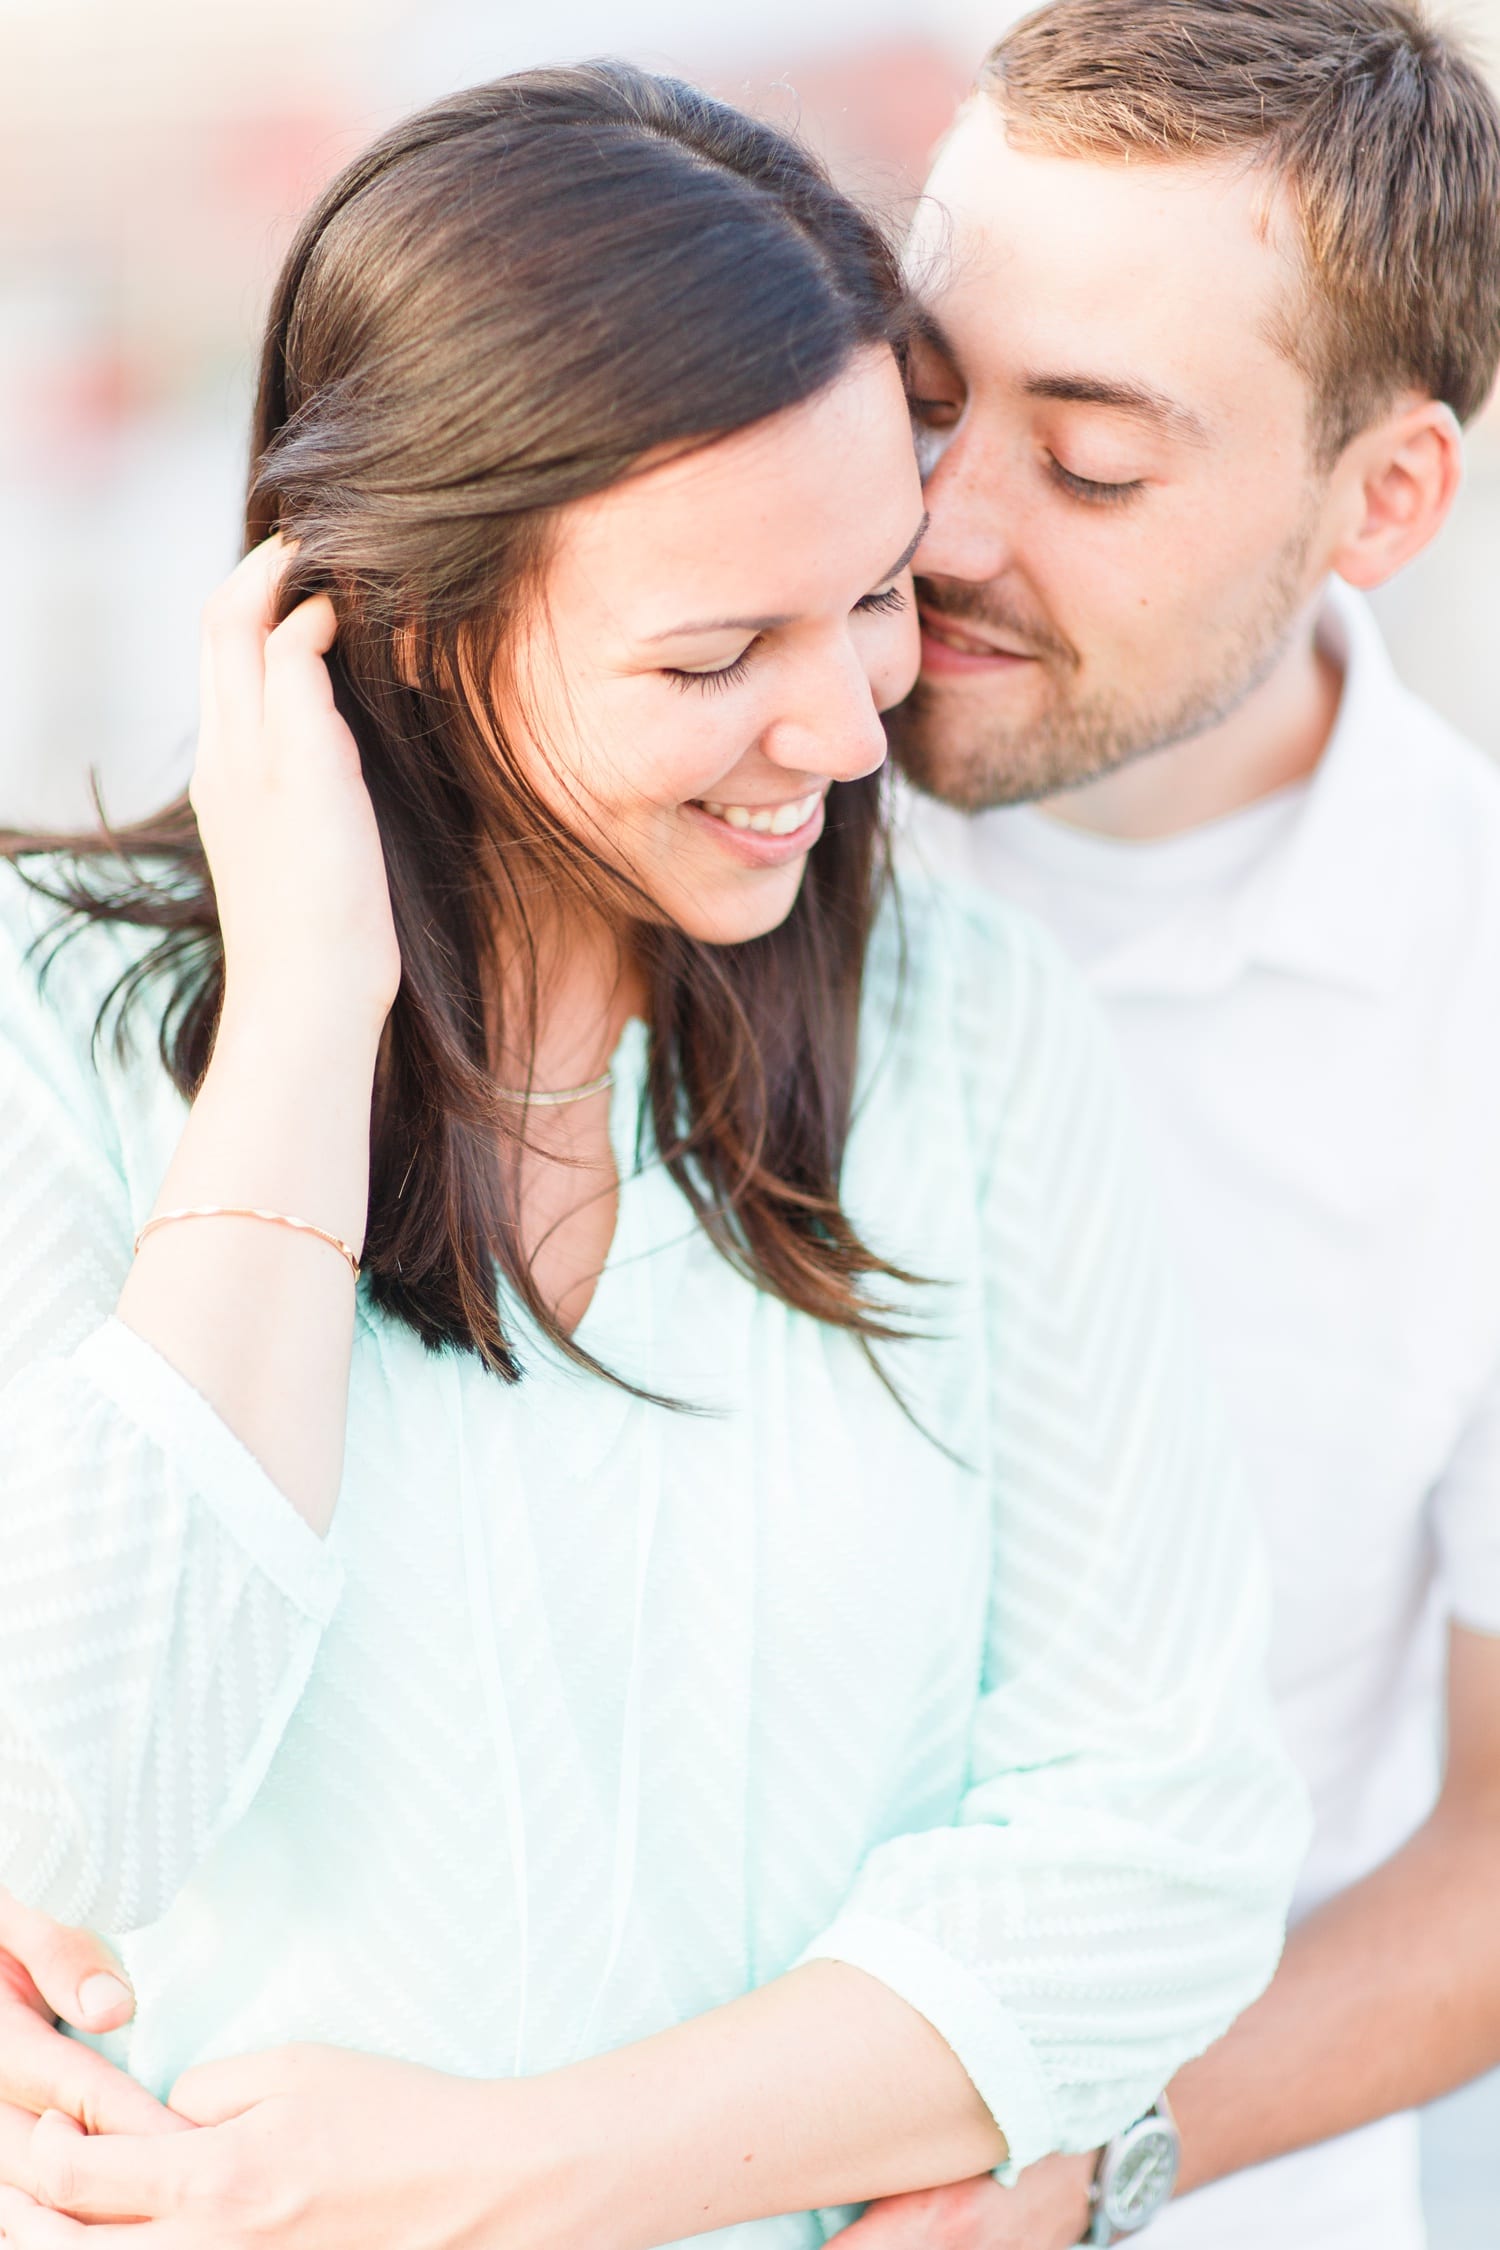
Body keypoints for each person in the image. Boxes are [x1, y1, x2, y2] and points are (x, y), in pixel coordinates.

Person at [0, 61, 1304, 2250]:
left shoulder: (966, 1031)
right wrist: (312, 1016)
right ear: (405, 628)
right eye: (717, 655)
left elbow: (1159, 1844)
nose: (846, 724)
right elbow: (64, 1811)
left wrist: (502, 2179)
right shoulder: (52, 1029)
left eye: (875, 596)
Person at [842, 3, 1500, 2247]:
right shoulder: (699, 777)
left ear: (1382, 498)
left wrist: (1085, 2167)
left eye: (1096, 466)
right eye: (922, 396)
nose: (938, 526)